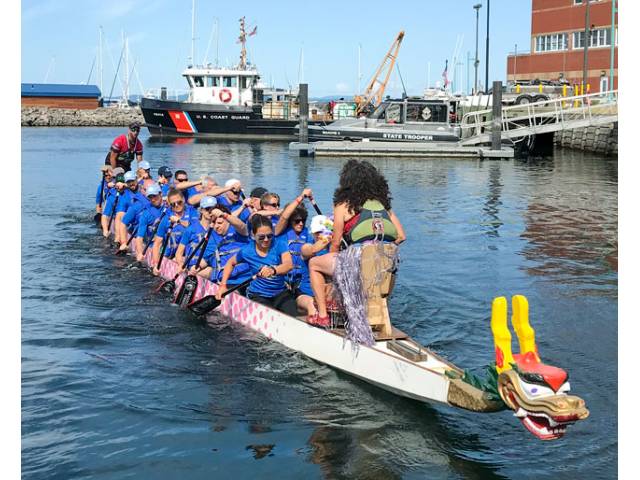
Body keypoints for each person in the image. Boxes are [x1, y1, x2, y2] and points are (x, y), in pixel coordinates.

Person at [307, 159, 406, 325]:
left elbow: (336, 243)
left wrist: (334, 273)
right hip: (386, 266)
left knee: (314, 264)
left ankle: (323, 316)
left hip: (357, 262)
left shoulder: (343, 205)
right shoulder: (383, 206)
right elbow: (401, 236)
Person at [216, 215, 296, 316]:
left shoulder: (280, 244)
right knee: (269, 315)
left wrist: (273, 270)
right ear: (253, 235)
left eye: (270, 236)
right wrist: (223, 285)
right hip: (258, 295)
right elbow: (230, 263)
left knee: (293, 314)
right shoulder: (247, 251)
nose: (266, 240)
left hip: (280, 292)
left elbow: (288, 265)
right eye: (261, 237)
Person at [273, 188, 326, 318]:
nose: (301, 223)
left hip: (300, 283)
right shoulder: (280, 233)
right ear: (290, 221)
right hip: (283, 283)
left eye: (302, 219)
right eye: (296, 221)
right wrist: (301, 197)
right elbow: (285, 216)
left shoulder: (308, 234)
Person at [194, 205, 251, 286]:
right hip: (220, 281)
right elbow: (207, 259)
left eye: (220, 223)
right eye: (213, 223)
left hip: (241, 281)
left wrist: (223, 214)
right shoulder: (212, 238)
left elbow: (242, 226)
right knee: (194, 275)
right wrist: (196, 268)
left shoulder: (239, 232)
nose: (216, 226)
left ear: (228, 221)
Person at [151, 188, 199, 275]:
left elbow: (196, 228)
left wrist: (179, 221)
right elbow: (157, 244)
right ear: (169, 204)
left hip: (188, 255)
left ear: (184, 200)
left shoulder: (193, 212)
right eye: (173, 204)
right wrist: (155, 264)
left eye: (179, 202)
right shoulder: (166, 219)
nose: (177, 205)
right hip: (171, 256)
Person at [174, 196, 217, 271]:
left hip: (210, 265)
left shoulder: (218, 229)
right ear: (201, 210)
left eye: (213, 209)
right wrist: (181, 264)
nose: (210, 212)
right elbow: (179, 253)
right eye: (207, 209)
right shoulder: (190, 229)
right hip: (193, 267)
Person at [134, 183, 167, 262]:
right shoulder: (146, 214)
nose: (152, 199)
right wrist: (139, 253)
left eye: (154, 196)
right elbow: (139, 238)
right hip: (153, 245)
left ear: (161, 194)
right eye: (150, 197)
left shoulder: (169, 207)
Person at [100, 167, 125, 237]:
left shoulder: (131, 191)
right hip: (114, 218)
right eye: (114, 178)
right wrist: (105, 230)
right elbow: (105, 215)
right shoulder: (112, 194)